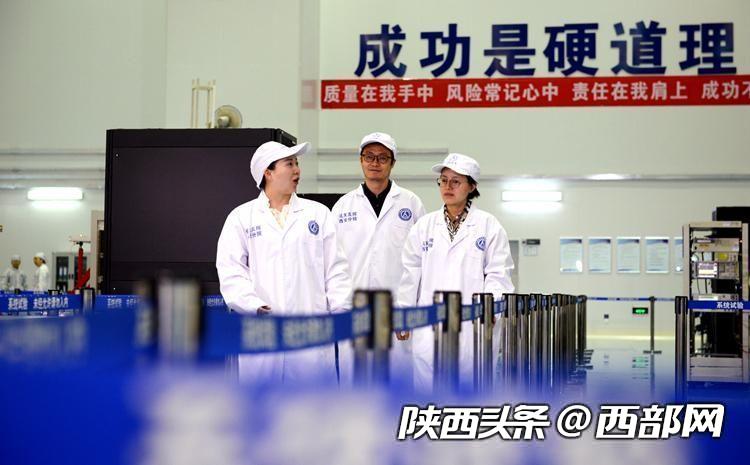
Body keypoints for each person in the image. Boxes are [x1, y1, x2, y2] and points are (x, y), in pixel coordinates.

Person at [216, 140, 352, 385]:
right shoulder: (241, 218)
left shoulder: (318, 214)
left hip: (311, 333)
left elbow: (336, 270)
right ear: (267, 172)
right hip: (262, 333)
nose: (297, 170)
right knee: (263, 403)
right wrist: (254, 306)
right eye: (289, 164)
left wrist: (342, 313)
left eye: (297, 163)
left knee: (312, 402)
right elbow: (231, 271)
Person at [397, 153, 515, 393]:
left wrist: (490, 307)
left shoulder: (488, 226)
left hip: (473, 325)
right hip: (430, 323)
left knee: (470, 392)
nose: (447, 186)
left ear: (472, 186)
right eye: (443, 180)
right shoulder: (424, 226)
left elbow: (499, 274)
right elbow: (410, 274)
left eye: (455, 181)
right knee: (427, 393)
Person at [332, 132, 425, 388]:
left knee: (397, 384)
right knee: (355, 384)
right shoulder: (342, 207)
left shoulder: (411, 204)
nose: (375, 163)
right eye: (369, 157)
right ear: (361, 160)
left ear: (392, 163)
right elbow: (332, 263)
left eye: (383, 158)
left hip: (396, 310)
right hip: (354, 309)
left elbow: (421, 262)